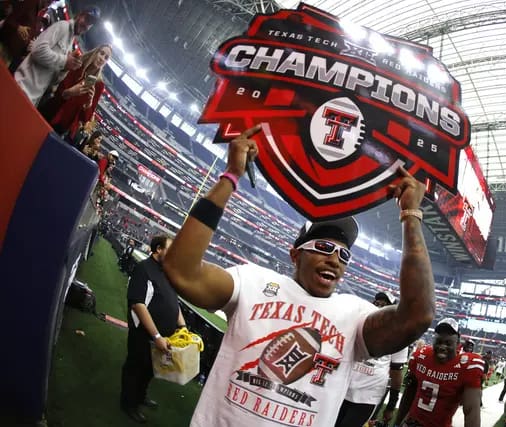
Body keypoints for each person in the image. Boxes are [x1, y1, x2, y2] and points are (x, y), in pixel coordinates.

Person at [163, 125, 436, 426]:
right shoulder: (252, 282)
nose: (334, 258)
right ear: (296, 255)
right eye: (323, 247)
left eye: (344, 255)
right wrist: (231, 176)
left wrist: (411, 217)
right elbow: (182, 271)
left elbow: (418, 315)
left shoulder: (355, 315)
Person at [120, 235, 187, 424]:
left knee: (150, 369)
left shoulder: (167, 273)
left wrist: (182, 326)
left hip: (163, 336)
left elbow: (174, 303)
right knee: (135, 367)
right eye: (170, 249)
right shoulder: (143, 269)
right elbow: (138, 304)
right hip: (143, 334)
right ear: (158, 249)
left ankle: (140, 397)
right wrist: (156, 335)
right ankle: (128, 404)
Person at [335, 291, 408, 427]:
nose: (378, 308)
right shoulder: (358, 323)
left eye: (384, 305)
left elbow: (396, 374)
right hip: (343, 388)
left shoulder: (398, 335)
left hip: (368, 395)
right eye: (376, 303)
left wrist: (391, 405)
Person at [395, 318, 483, 427]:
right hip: (412, 423)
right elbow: (408, 396)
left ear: (458, 343)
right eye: (439, 342)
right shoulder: (421, 357)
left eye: (448, 343)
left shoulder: (467, 366)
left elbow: (471, 410)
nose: (442, 347)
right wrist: (398, 423)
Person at [14, 6, 99, 105]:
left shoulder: (70, 45)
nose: (86, 25)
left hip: (32, 99)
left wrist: (65, 68)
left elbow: (52, 82)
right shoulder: (62, 26)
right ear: (80, 15)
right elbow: (37, 50)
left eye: (90, 24)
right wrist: (64, 61)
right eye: (87, 19)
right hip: (21, 86)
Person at [39, 43, 110, 138]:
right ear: (96, 52)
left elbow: (85, 118)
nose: (102, 59)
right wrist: (69, 92)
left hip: (63, 126)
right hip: (51, 108)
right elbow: (58, 89)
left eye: (106, 58)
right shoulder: (77, 63)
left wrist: (89, 104)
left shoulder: (99, 85)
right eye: (101, 53)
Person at [0, 0, 48, 71]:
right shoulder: (30, 3)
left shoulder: (36, 15)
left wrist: (27, 49)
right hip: (4, 47)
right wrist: (18, 27)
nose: (50, 2)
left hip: (11, 56)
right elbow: (10, 19)